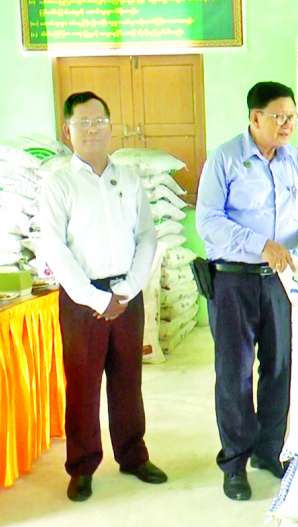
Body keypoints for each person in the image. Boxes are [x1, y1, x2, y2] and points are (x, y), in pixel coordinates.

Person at [196, 81, 298, 501]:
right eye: (279, 117)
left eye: (292, 117)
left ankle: (269, 451)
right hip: (233, 280)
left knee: (280, 367)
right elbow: (209, 221)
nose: (288, 125)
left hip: (280, 281)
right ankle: (234, 462)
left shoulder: (292, 160)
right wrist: (260, 245)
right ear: (255, 118)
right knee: (234, 373)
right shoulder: (225, 159)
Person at [39, 91, 167, 502]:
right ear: (68, 130)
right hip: (83, 300)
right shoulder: (58, 183)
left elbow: (147, 236)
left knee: (128, 379)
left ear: (110, 127)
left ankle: (133, 456)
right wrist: (96, 299)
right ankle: (82, 466)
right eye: (84, 123)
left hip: (127, 294)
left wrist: (127, 289)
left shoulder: (128, 179)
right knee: (83, 383)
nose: (92, 129)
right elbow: (55, 248)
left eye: (99, 122)